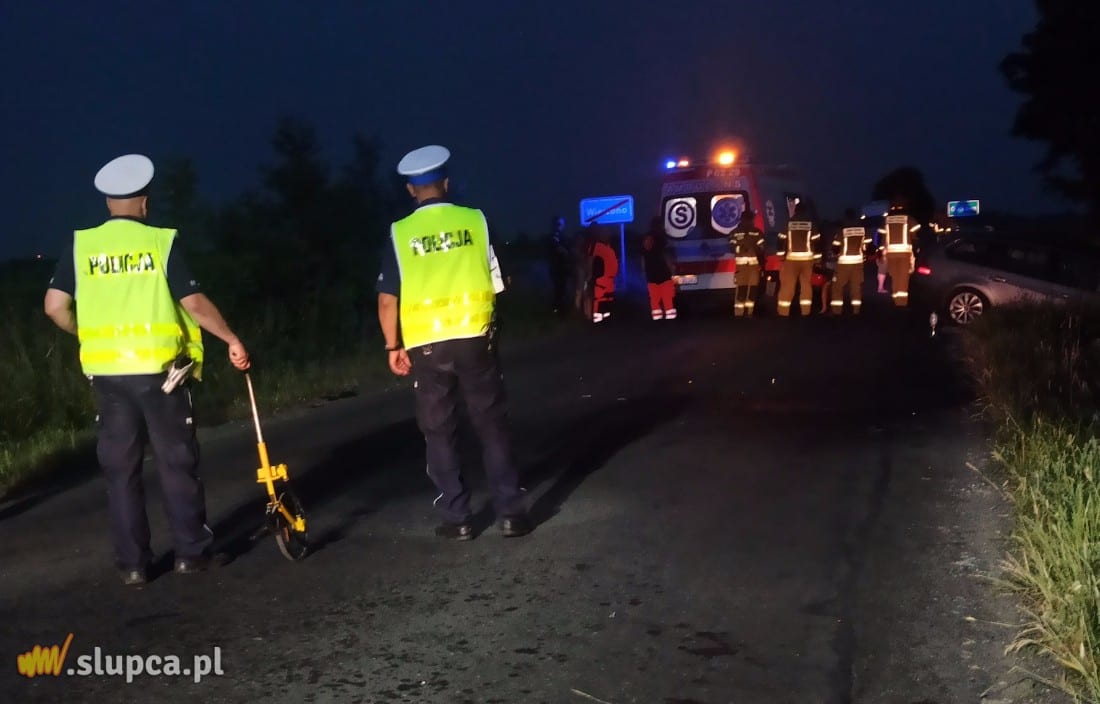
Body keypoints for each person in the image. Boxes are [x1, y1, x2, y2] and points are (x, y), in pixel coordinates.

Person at [43, 154, 251, 586]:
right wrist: (231, 338)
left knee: (121, 472)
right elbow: (194, 304)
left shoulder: (82, 245)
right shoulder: (160, 242)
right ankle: (191, 553)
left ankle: (134, 566)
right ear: (144, 201)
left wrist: (87, 332)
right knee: (176, 463)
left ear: (108, 203)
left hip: (107, 376)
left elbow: (54, 306)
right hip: (161, 376)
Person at [375, 144, 531, 540]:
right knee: (492, 425)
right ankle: (511, 513)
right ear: (445, 183)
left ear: (411, 189)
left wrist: (393, 346)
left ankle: (457, 517)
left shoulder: (399, 233)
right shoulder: (476, 220)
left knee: (439, 431)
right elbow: (499, 281)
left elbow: (387, 300)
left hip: (427, 345)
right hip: (475, 337)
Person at [775, 204, 821, 317]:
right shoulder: (811, 224)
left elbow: (780, 240)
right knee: (806, 286)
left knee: (788, 286)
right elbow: (817, 243)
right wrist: (818, 260)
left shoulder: (788, 223)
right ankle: (805, 311)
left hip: (791, 260)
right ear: (805, 211)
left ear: (795, 211)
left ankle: (783, 312)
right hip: (807, 260)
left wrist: (781, 257)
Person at [877, 200, 922, 307]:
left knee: (895, 277)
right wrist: (916, 250)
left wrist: (881, 252)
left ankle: (896, 300)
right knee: (903, 278)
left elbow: (881, 238)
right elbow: (915, 236)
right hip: (904, 253)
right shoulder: (909, 219)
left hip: (890, 253)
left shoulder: (886, 220)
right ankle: (901, 304)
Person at [830, 208, 873, 315]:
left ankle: (837, 311)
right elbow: (870, 247)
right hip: (858, 262)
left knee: (837, 287)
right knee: (856, 286)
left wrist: (836, 254)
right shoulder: (863, 230)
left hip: (843, 263)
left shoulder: (842, 230)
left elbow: (835, 248)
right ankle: (856, 310)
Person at [729, 209, 766, 317]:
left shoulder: (754, 232)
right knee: (746, 289)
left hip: (748, 266)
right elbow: (731, 247)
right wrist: (742, 249)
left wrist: (745, 249)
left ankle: (744, 313)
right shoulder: (738, 233)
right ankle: (744, 313)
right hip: (747, 267)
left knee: (747, 289)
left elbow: (762, 248)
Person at [641, 217, 677, 320]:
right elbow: (665, 255)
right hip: (663, 272)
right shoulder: (661, 238)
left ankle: (657, 317)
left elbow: (643, 257)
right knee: (667, 295)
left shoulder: (646, 239)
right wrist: (672, 268)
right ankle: (669, 316)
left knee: (654, 297)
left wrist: (643, 271)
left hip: (651, 273)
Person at [588, 225, 619, 323]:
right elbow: (590, 260)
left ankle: (606, 318)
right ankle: (597, 320)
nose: (606, 234)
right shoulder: (596, 245)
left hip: (609, 278)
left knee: (607, 299)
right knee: (599, 299)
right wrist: (589, 274)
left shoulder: (608, 245)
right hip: (601, 277)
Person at [546, 215, 571, 316]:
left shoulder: (561, 236)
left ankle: (558, 308)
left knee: (561, 289)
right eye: (561, 223)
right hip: (557, 267)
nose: (563, 225)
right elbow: (559, 249)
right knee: (559, 289)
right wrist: (566, 253)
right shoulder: (554, 236)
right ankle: (558, 309)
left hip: (561, 267)